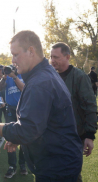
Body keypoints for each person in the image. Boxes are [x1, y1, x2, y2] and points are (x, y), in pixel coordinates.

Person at [0, 30, 83, 182]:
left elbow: (28, 129)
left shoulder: (40, 82)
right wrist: (18, 138)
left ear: (31, 51)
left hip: (57, 167)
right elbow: (41, 123)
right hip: (58, 162)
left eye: (16, 54)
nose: (13, 60)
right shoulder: (43, 75)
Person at [50, 42, 97, 182]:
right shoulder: (51, 76)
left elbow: (90, 106)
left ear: (67, 57)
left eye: (56, 57)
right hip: (53, 138)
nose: (52, 60)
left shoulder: (79, 77)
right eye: (51, 57)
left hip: (73, 137)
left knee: (72, 175)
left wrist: (89, 135)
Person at [0, 64, 27, 178]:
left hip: (23, 110)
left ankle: (23, 164)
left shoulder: (23, 75)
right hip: (10, 110)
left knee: (24, 138)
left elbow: (23, 88)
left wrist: (14, 76)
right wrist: (5, 77)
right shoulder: (7, 77)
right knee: (10, 138)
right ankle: (12, 166)